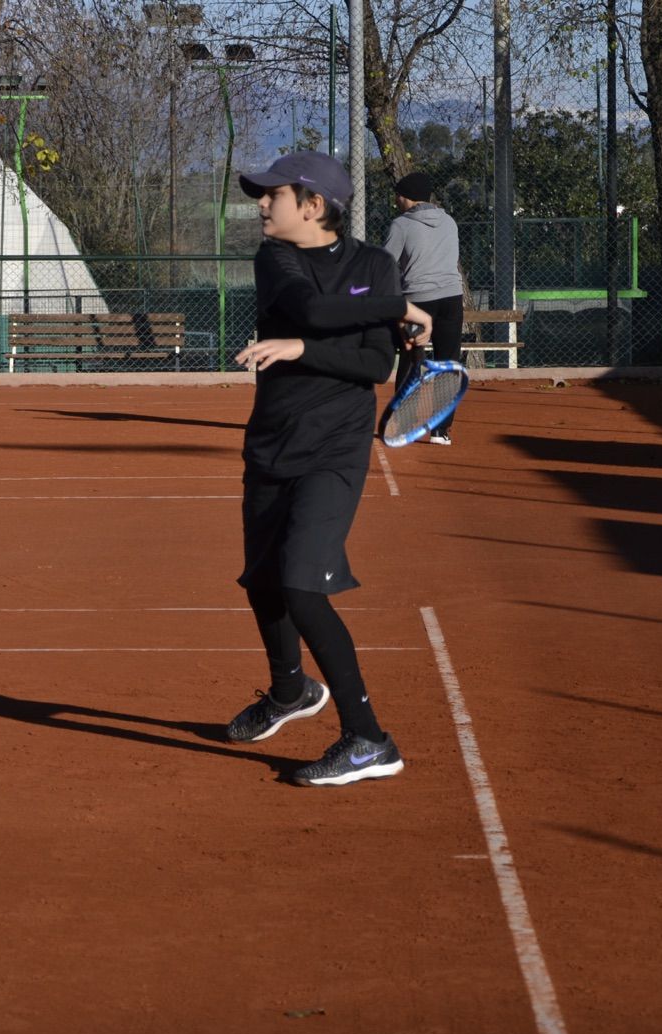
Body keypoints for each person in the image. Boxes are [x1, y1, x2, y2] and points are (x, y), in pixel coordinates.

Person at [228, 150, 433, 787]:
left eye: (273, 195)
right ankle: (289, 691)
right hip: (271, 445)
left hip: (334, 452)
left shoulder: (373, 265)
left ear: (313, 206)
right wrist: (392, 310)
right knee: (261, 581)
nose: (262, 204)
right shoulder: (276, 258)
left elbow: (375, 367)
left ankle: (369, 739)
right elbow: (313, 311)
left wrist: (306, 347)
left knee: (301, 585)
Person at [382, 171, 463, 444]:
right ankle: (441, 430)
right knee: (447, 361)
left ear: (405, 198)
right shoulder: (449, 222)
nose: (396, 200)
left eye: (398, 196)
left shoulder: (401, 225)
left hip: (419, 299)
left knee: (411, 359)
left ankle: (404, 425)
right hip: (452, 298)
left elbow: (385, 264)